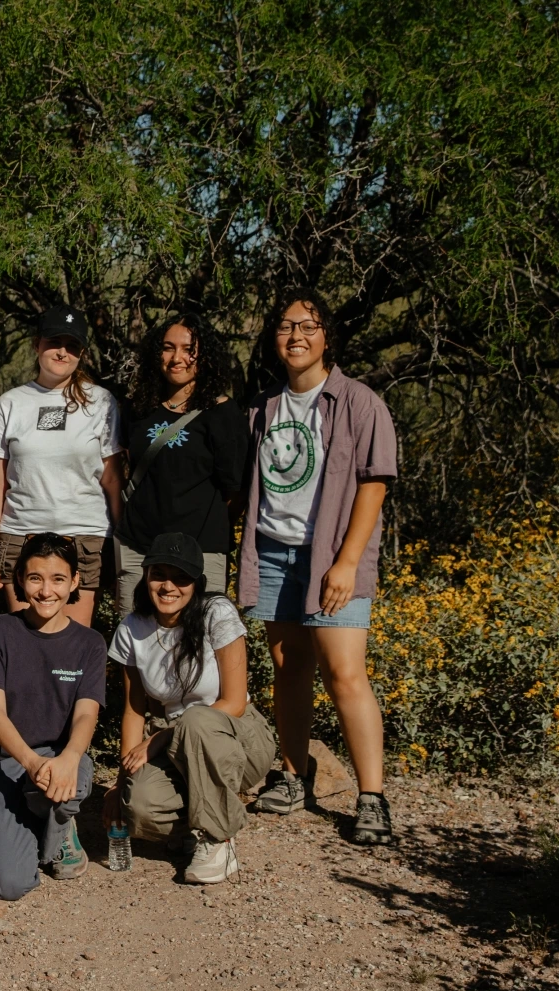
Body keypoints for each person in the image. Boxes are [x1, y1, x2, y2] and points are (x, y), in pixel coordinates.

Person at [238, 289, 398, 846]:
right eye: (285, 326)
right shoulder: (263, 407)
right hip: (275, 551)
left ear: (327, 335)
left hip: (333, 558)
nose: (296, 336)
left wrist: (347, 562)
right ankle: (292, 774)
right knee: (289, 668)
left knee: (344, 673)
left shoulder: (358, 402)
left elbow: (374, 483)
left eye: (307, 326)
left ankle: (372, 797)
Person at [108, 533, 275, 883]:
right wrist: (120, 782)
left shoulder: (217, 612)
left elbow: (232, 701)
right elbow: (133, 710)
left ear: (197, 583)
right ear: (147, 576)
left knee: (198, 719)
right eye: (160, 574)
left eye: (181, 577)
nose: (169, 586)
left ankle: (218, 838)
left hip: (238, 739)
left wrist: (160, 738)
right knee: (139, 805)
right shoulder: (132, 628)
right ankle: (191, 828)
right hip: (180, 749)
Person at [0, 534, 106, 900]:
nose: (46, 591)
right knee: (8, 885)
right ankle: (32, 827)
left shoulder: (89, 644)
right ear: (20, 580)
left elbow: (86, 715)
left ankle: (58, 831)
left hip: (58, 759)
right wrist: (28, 761)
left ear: (75, 581)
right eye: (35, 579)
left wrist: (70, 758)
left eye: (58, 579)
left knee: (70, 784)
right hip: (3, 761)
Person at [0, 306, 123, 627]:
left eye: (72, 345)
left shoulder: (101, 402)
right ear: (37, 344)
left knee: (71, 649)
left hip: (85, 538)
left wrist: (121, 547)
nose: (62, 352)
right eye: (54, 342)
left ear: (82, 352)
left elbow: (113, 479)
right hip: (20, 537)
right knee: (24, 647)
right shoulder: (11, 403)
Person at [114, 315, 250, 615]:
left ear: (206, 356)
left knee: (201, 646)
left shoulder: (223, 414)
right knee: (134, 647)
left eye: (189, 349)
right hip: (139, 547)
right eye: (167, 348)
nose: (177, 358)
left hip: (200, 551)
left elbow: (235, 490)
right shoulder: (137, 408)